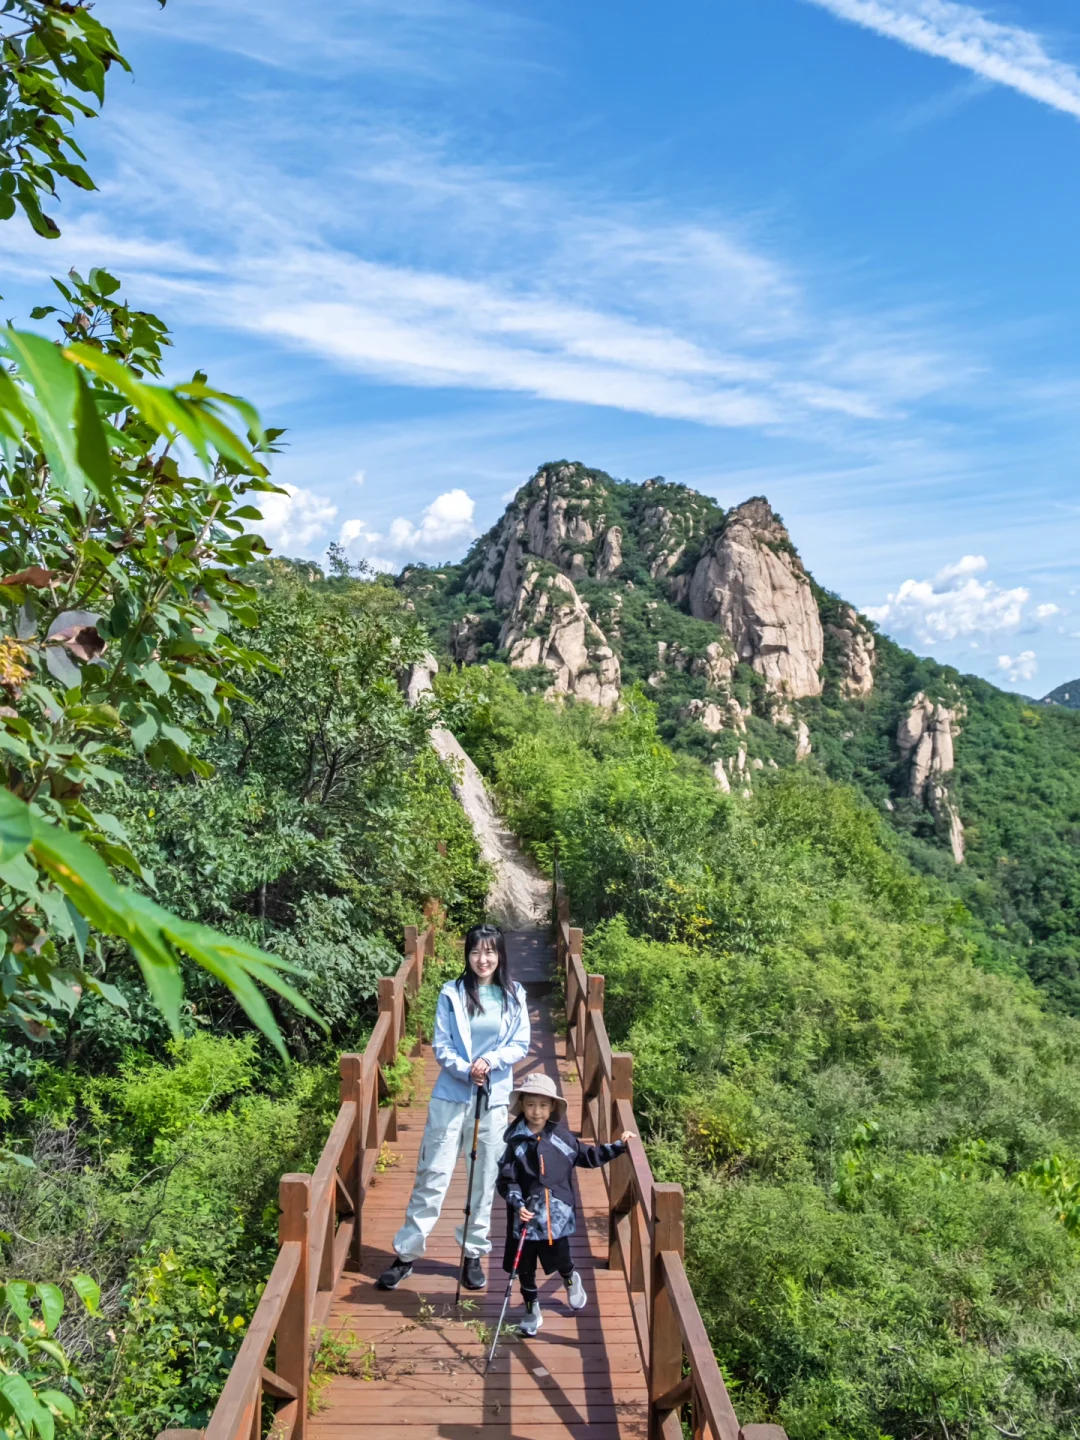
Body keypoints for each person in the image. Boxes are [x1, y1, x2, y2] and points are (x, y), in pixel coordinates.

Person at [377, 923, 530, 1292]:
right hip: (451, 1096)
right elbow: (441, 1046)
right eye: (476, 952)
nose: (483, 959)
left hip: (492, 1099)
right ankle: (407, 1254)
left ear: (500, 954)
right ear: (468, 954)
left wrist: (489, 1062)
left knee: (484, 1177)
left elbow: (520, 1043)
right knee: (433, 1173)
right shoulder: (452, 992)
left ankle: (473, 1253)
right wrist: (466, 1070)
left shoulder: (514, 994)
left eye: (490, 952)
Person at [495, 1070, 635, 1335]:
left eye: (543, 1105)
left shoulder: (561, 1138)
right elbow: (506, 1180)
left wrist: (619, 1146)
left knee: (561, 1257)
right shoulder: (514, 1143)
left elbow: (589, 1156)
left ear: (552, 1108)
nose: (536, 1111)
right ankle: (531, 1309)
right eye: (531, 1104)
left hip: (555, 1215)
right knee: (524, 1266)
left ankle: (571, 1279)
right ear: (522, 1106)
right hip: (524, 1217)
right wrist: (516, 1202)